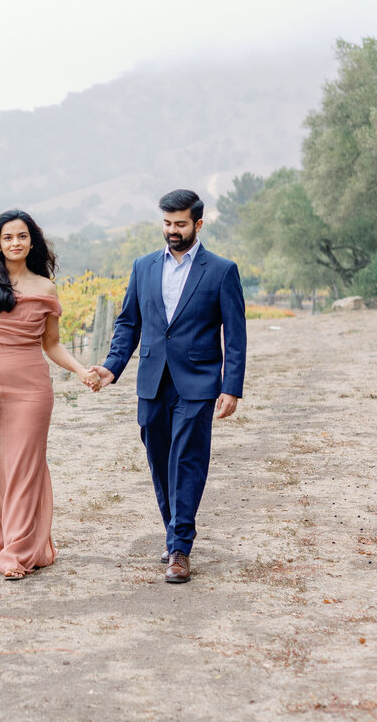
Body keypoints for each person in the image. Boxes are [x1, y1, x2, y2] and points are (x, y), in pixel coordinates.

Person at [89, 189, 246, 584]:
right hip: (151, 380)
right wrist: (112, 367)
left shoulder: (222, 270)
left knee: (187, 460)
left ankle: (179, 548)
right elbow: (129, 323)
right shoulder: (142, 267)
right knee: (159, 460)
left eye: (179, 224)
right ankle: (173, 529)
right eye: (166, 223)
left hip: (199, 382)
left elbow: (236, 335)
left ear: (198, 224)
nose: (171, 231)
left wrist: (232, 386)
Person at [0, 210, 99, 580]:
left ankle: (18, 550)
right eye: (8, 237)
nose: (16, 243)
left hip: (32, 390)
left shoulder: (46, 288)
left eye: (22, 236)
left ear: (32, 242)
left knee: (26, 468)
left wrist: (80, 371)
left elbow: (52, 345)